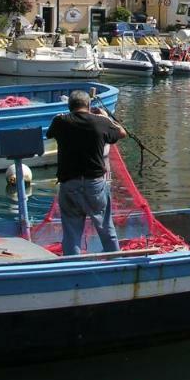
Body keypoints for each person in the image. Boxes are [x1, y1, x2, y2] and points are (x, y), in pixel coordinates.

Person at [46, 90, 126, 256]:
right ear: (89, 106)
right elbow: (121, 133)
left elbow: (50, 132)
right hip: (95, 184)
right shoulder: (100, 122)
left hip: (69, 184)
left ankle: (74, 266)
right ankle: (115, 261)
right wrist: (106, 117)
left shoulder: (60, 121)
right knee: (105, 227)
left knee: (72, 232)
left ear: (70, 106)